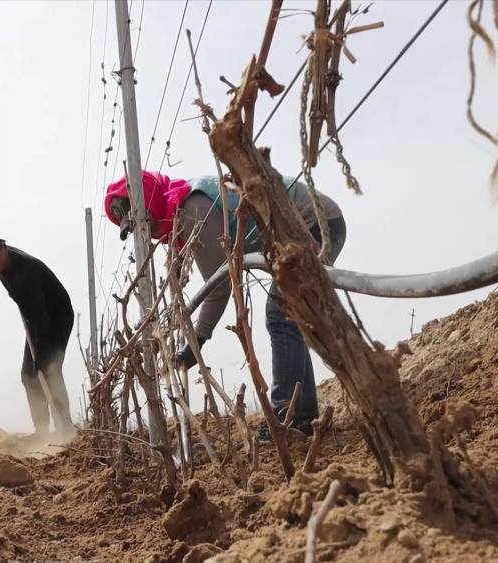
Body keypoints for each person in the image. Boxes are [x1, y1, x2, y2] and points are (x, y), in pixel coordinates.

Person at [104, 171, 346, 435]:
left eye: (144, 224)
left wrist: (196, 341)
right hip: (306, 228)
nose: (147, 233)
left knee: (281, 314)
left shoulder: (192, 208)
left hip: (315, 226)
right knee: (288, 315)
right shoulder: (185, 209)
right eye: (138, 230)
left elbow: (219, 284)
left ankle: (287, 418)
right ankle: (301, 416)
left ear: (151, 203)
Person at [0, 229, 75, 438]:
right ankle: (42, 430)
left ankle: (66, 428)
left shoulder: (25, 271)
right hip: (36, 319)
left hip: (56, 317)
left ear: (3, 246)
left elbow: (42, 317)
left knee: (49, 369)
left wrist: (42, 357)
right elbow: (30, 310)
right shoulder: (3, 267)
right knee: (28, 375)